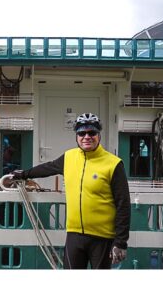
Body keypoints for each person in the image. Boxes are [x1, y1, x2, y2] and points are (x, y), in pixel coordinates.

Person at [11, 113, 130, 269]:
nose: (87, 136)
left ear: (98, 135)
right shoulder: (69, 157)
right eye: (82, 133)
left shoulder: (113, 164)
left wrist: (120, 242)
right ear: (77, 136)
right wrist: (24, 174)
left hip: (102, 238)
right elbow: (47, 168)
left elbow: (123, 205)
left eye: (92, 132)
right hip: (74, 235)